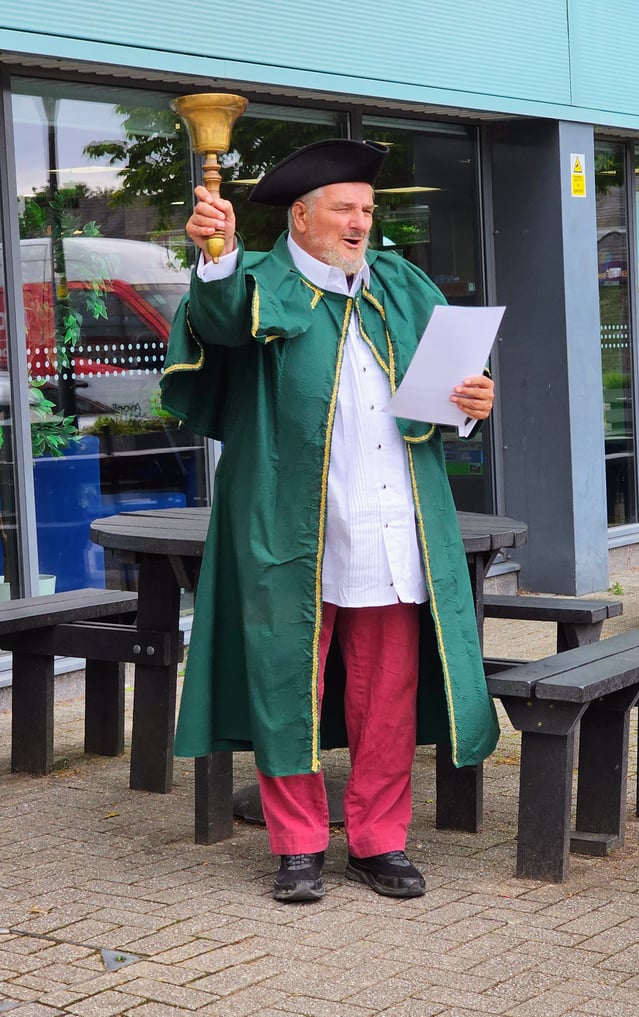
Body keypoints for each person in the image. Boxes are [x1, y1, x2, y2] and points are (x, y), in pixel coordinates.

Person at [161, 138, 499, 903]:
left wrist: (473, 407)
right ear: (302, 216)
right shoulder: (256, 283)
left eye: (368, 211)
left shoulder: (401, 285)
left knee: (386, 696)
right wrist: (216, 248)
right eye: (345, 210)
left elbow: (449, 391)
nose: (360, 223)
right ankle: (299, 845)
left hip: (392, 527)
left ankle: (379, 840)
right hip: (291, 531)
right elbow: (215, 319)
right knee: (289, 686)